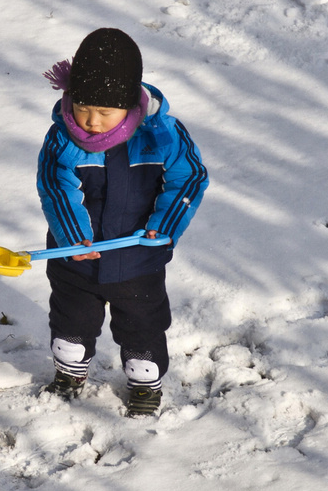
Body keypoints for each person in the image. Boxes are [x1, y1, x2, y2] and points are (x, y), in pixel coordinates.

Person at [37, 28, 208, 416]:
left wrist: (164, 226)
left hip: (138, 257)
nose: (92, 121)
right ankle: (69, 369)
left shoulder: (160, 134)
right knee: (71, 318)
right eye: (82, 108)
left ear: (129, 105)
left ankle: (145, 383)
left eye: (104, 112)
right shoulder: (63, 138)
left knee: (142, 322)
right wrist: (73, 236)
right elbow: (55, 186)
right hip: (75, 257)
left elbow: (189, 177)